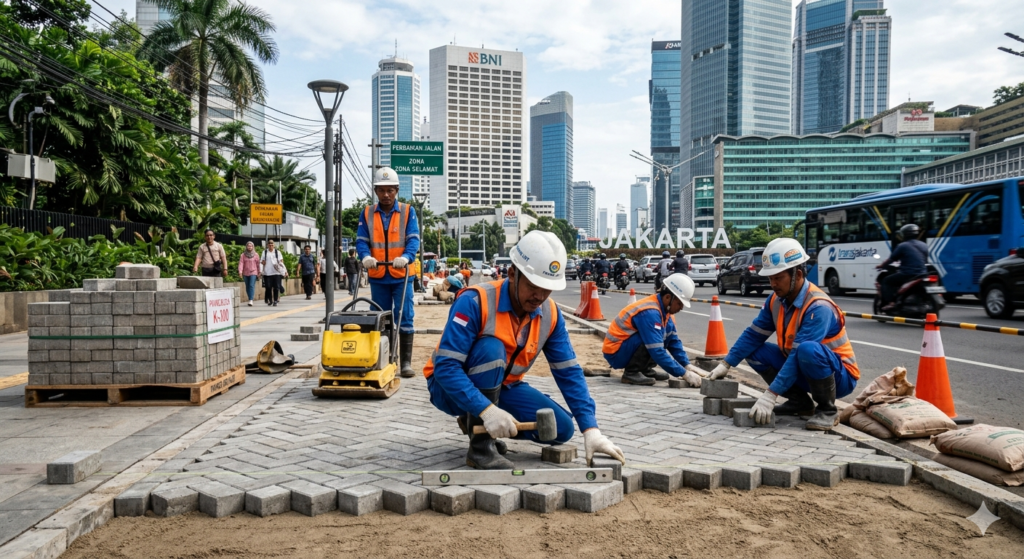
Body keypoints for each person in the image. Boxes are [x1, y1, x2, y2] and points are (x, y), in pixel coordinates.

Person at [424, 231, 625, 470]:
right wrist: (487, 411)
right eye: (533, 286)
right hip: (447, 387)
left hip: (504, 387)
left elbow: (569, 372)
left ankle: (473, 422)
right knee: (492, 347)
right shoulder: (475, 301)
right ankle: (481, 449)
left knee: (559, 428)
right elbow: (446, 368)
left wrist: (591, 430)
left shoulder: (550, 314)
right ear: (512, 274)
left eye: (547, 289)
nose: (539, 296)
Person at [705, 238, 860, 430]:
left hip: (839, 377)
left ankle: (827, 410)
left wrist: (771, 394)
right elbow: (753, 335)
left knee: (807, 349)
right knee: (753, 350)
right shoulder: (776, 300)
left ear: (798, 274)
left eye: (778, 278)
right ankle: (800, 403)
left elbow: (797, 354)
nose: (773, 284)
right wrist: (726, 363)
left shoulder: (819, 307)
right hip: (803, 367)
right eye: (770, 278)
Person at [356, 166, 420, 379]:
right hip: (378, 275)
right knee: (382, 318)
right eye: (382, 190)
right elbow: (361, 241)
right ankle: (386, 358)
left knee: (405, 316)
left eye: (390, 190)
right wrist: (365, 257)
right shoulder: (366, 213)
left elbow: (413, 239)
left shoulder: (408, 211)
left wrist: (407, 258)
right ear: (375, 191)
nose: (386, 194)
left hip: (402, 274)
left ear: (396, 190)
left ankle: (406, 363)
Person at [604, 274, 706, 386]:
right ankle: (631, 372)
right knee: (653, 340)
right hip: (616, 353)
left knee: (659, 336)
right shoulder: (650, 312)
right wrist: (684, 373)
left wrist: (686, 365)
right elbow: (656, 350)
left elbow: (673, 341)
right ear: (668, 297)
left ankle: (645, 369)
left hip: (626, 348)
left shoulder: (666, 313)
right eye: (679, 303)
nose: (681, 308)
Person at [877, 223, 929, 310]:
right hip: (923, 273)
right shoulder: (924, 245)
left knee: (886, 281)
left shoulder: (902, 246)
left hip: (908, 274)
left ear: (904, 234)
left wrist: (881, 265)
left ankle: (891, 302)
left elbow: (891, 259)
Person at [261, 239, 286, 307]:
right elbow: (262, 261)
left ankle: (275, 300)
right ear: (267, 245)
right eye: (269, 245)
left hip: (276, 272)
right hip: (267, 272)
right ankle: (270, 300)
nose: (271, 246)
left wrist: (284, 271)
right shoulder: (265, 252)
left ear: (274, 245)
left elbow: (281, 262)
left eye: (272, 245)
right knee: (268, 287)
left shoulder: (277, 252)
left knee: (276, 287)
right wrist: (263, 262)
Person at [238, 242, 261, 306]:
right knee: (247, 286)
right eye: (248, 246)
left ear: (253, 247)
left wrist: (259, 272)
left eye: (251, 246)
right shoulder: (243, 255)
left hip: (253, 272)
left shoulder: (256, 255)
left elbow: (258, 264)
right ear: (246, 247)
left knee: (251, 285)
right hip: (245, 273)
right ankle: (249, 298)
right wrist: (240, 271)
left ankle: (251, 299)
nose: (249, 247)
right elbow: (241, 263)